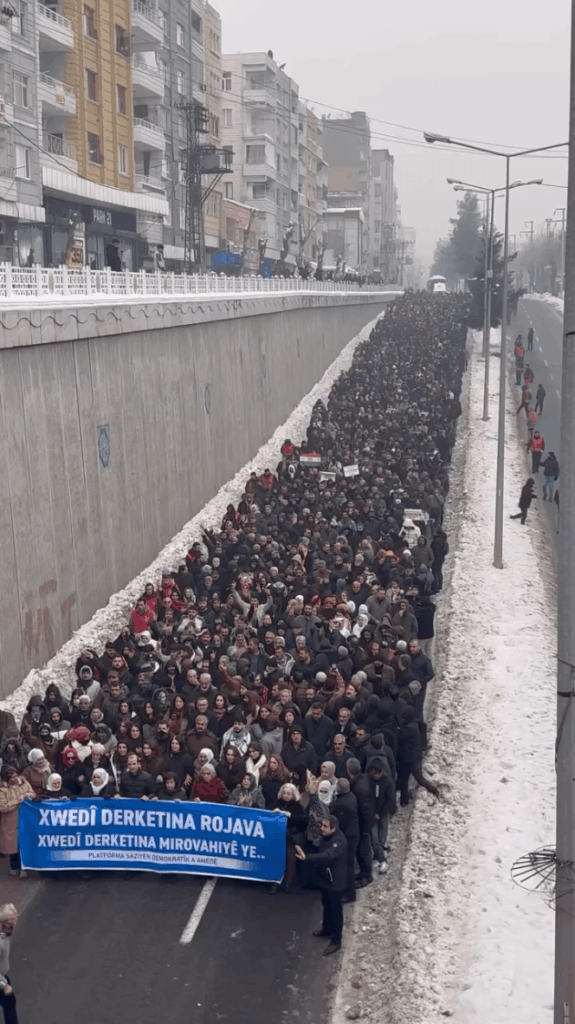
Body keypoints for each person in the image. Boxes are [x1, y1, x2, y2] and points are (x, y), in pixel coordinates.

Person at [294, 815, 347, 956]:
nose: (321, 828)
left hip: (335, 881)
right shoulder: (326, 837)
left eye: (325, 826)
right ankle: (326, 929)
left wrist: (307, 858)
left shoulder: (339, 841)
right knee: (326, 905)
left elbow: (328, 855)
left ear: (333, 828)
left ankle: (336, 940)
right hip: (325, 879)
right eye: (321, 825)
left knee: (336, 911)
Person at [0, 766, 34, 879]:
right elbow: (3, 807)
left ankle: (24, 869)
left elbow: (33, 794)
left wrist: (27, 795)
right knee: (13, 845)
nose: (15, 779)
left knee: (24, 843)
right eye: (11, 777)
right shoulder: (2, 789)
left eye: (15, 776)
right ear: (6, 778)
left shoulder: (24, 783)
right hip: (10, 820)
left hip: (25, 818)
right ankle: (14, 867)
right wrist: (17, 801)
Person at [0, 904, 19, 1024]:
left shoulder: (4, 932)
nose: (16, 921)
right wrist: (4, 985)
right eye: (13, 919)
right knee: (9, 1003)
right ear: (6, 921)